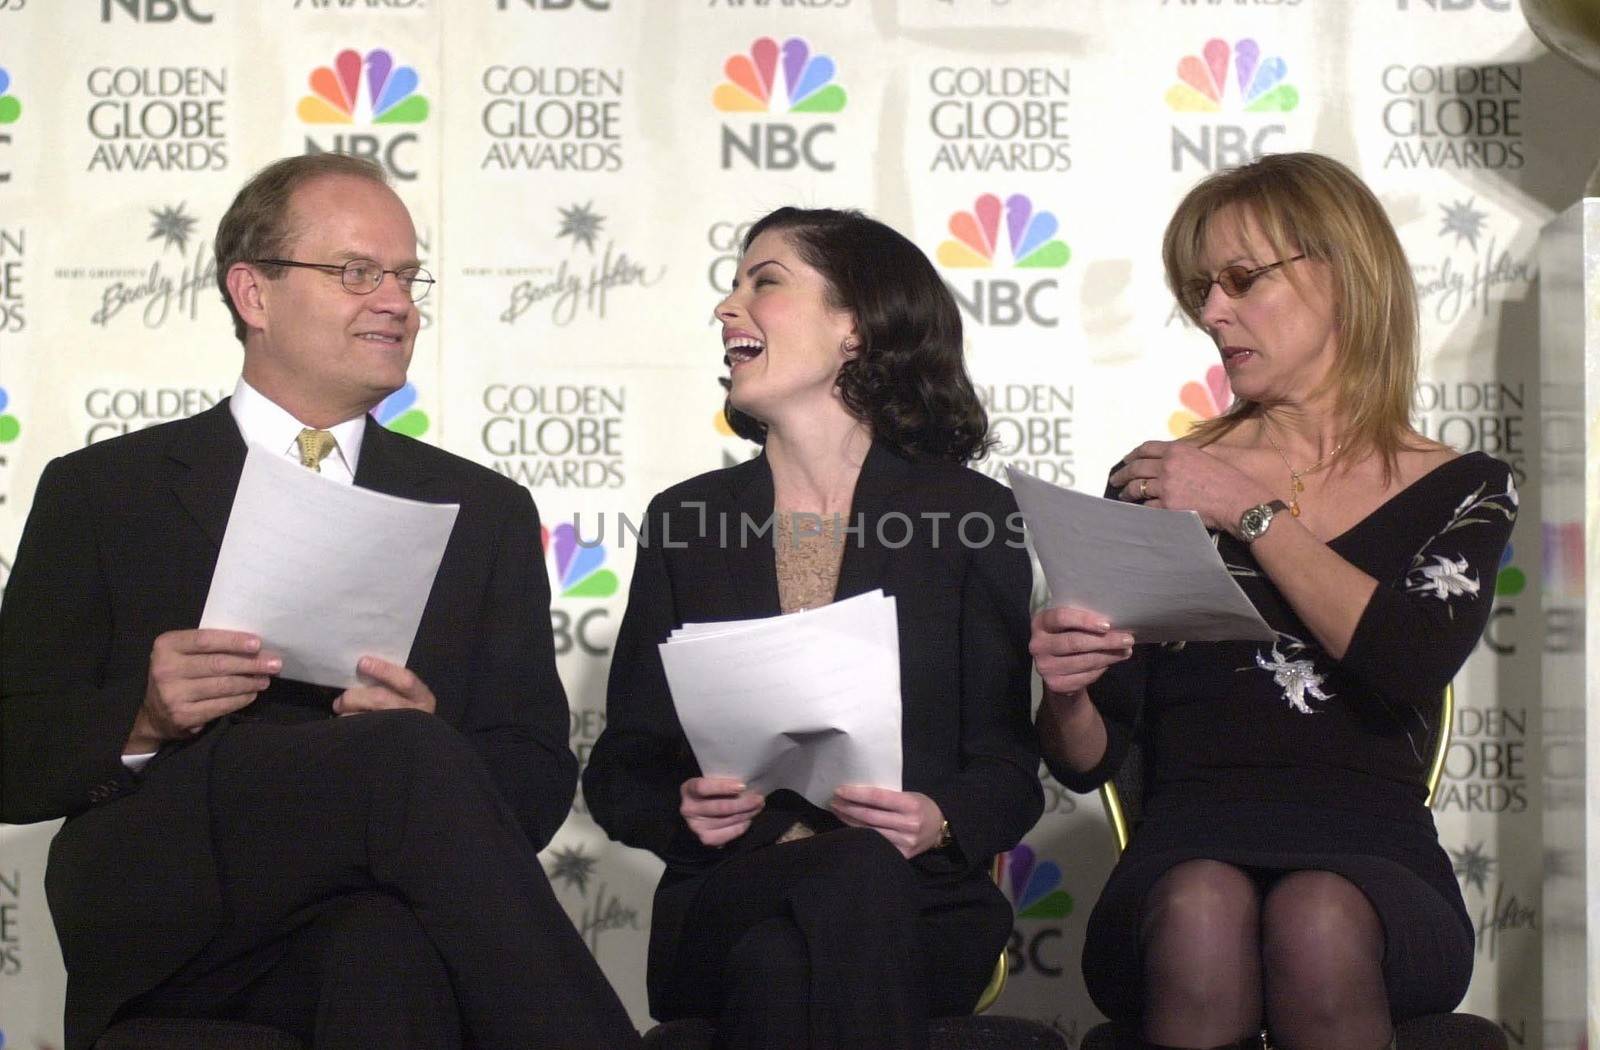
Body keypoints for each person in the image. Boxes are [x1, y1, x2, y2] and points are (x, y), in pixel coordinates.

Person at [0, 154, 640, 1050]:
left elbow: (534, 777)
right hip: (171, 889)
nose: (396, 302)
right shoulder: (105, 490)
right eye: (356, 273)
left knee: (386, 946)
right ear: (253, 294)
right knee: (403, 763)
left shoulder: (482, 511)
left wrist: (433, 739)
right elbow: (12, 753)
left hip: (370, 902)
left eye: (408, 278)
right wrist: (141, 717)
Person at [1031, 152, 1516, 1050]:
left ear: (1341, 273)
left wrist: (1248, 511)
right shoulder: (1156, 481)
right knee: (1203, 908)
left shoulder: (1466, 489)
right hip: (1185, 848)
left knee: (1319, 917)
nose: (1214, 312)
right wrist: (1064, 689)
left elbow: (1406, 659)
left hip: (1375, 860)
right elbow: (1090, 758)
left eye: (1243, 280)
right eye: (1202, 290)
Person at [582, 207, 1042, 1050]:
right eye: (732, 285)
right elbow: (620, 773)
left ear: (856, 329)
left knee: (784, 961)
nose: (728, 308)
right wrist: (682, 810)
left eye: (765, 282)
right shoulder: (686, 521)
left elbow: (1009, 769)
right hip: (728, 892)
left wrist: (937, 820)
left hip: (917, 906)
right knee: (816, 904)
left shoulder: (971, 517)